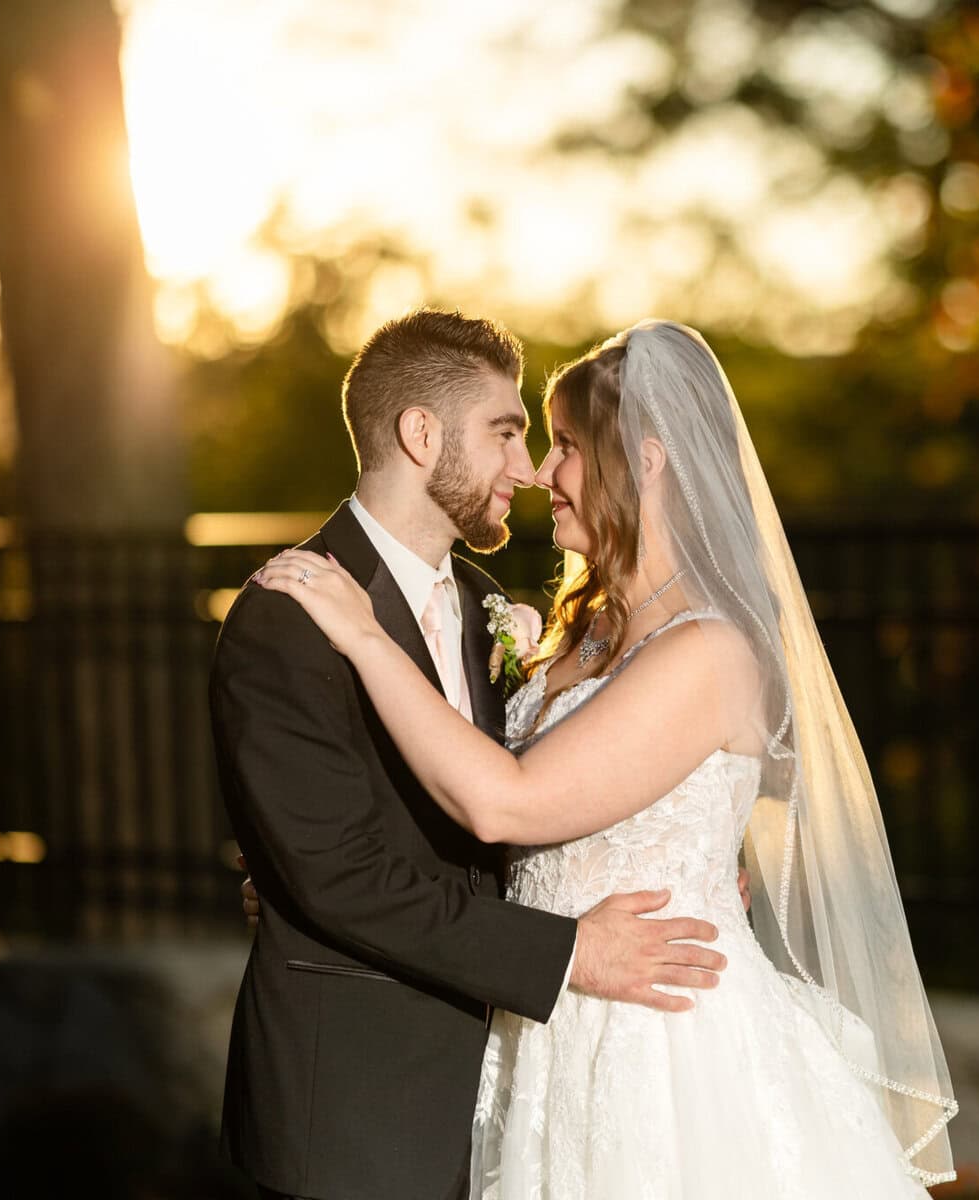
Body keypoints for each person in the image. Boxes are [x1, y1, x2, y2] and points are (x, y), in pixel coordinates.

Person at [253, 319, 958, 1196]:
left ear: (647, 461)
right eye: (523, 441)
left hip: (658, 1044)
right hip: (535, 1035)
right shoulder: (577, 631)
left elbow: (508, 804)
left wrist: (364, 637)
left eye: (566, 447)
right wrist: (299, 862)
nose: (540, 473)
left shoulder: (709, 648)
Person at [212, 310, 729, 1200]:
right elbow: (339, 875)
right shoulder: (290, 612)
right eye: (507, 433)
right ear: (421, 434)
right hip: (359, 1100)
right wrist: (569, 954)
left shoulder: (493, 606)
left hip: (519, 1083)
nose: (528, 471)